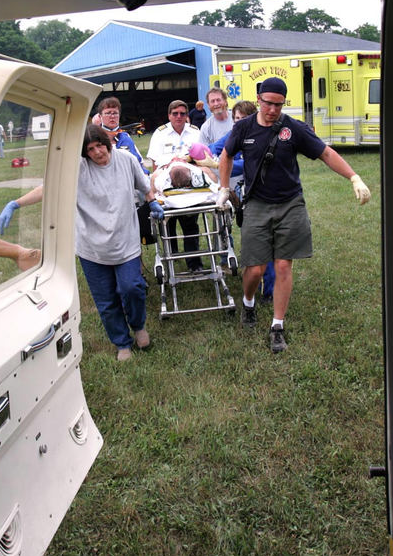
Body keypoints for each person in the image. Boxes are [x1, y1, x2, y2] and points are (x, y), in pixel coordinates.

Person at [218, 77, 371, 353]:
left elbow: (325, 153)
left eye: (279, 104)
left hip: (290, 204)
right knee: (254, 268)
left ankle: (277, 326)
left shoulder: (293, 128)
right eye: (267, 103)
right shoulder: (243, 127)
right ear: (259, 98)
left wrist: (354, 176)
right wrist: (223, 188)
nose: (273, 109)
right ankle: (249, 303)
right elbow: (226, 156)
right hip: (256, 205)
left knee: (283, 265)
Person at [76, 125, 163, 362]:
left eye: (99, 145)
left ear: (107, 142)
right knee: (106, 300)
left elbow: (145, 187)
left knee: (132, 287)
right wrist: (17, 204)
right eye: (90, 149)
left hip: (125, 241)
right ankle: (122, 343)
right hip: (91, 246)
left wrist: (152, 202)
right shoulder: (79, 169)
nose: (96, 152)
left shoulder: (125, 159)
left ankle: (138, 326)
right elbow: (50, 189)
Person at [203, 100, 275, 302]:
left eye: (244, 118)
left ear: (254, 118)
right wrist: (192, 155)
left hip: (267, 197)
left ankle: (268, 291)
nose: (239, 122)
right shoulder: (236, 133)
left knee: (265, 244)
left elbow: (247, 165)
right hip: (246, 196)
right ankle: (256, 278)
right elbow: (214, 148)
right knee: (254, 242)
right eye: (236, 119)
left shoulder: (263, 136)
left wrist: (218, 164)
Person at [146, 100, 204, 270]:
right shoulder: (160, 133)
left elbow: (202, 157)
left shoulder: (195, 132)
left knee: (190, 225)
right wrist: (157, 189)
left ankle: (194, 263)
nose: (179, 117)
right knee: (168, 224)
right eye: (175, 113)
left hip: (189, 182)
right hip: (166, 180)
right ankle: (172, 256)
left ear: (187, 115)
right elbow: (155, 163)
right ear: (169, 115)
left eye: (182, 113)